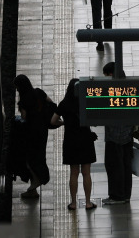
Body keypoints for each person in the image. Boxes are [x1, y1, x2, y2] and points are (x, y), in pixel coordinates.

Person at [51, 78, 98, 210]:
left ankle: (73, 203)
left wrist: (64, 123)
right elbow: (94, 121)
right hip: (85, 140)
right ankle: (88, 202)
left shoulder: (64, 103)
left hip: (71, 140)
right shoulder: (86, 102)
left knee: (74, 173)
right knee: (86, 173)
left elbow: (53, 121)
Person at [14, 74, 58, 199]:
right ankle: (33, 190)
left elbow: (24, 116)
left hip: (31, 133)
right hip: (43, 130)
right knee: (40, 155)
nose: (17, 90)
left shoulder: (23, 101)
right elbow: (50, 102)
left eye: (17, 87)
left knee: (29, 159)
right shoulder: (39, 92)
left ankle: (37, 180)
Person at [102, 62, 134, 205]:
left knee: (114, 165)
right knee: (126, 165)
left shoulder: (112, 90)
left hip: (114, 135)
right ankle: (126, 194)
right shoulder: (130, 88)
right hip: (128, 134)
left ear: (110, 74)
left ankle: (117, 196)